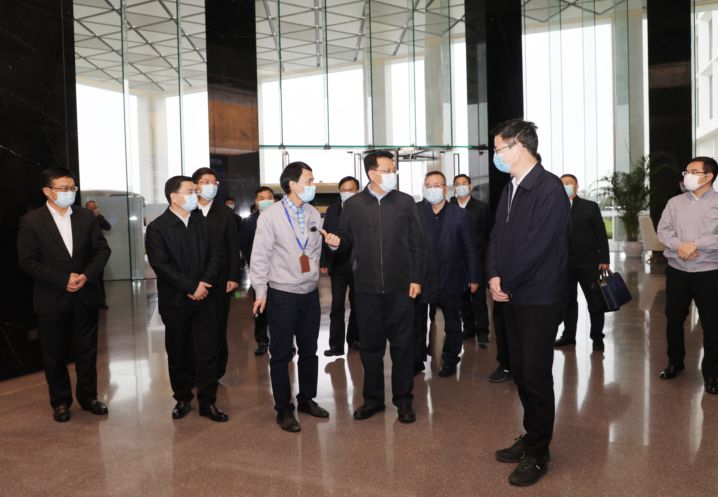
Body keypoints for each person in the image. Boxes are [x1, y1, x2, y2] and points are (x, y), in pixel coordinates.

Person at [487, 119, 570, 486]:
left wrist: (505, 281)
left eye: (498, 149)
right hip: (511, 295)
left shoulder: (549, 188)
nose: (496, 155)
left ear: (518, 148)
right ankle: (532, 434)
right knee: (519, 371)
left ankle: (538, 452)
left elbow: (537, 246)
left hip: (538, 297)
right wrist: (493, 274)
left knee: (535, 376)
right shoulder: (511, 187)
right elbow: (496, 237)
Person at [322, 151, 427, 424]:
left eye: (394, 170)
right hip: (366, 289)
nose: (393, 174)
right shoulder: (354, 205)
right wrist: (335, 243)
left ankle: (404, 400)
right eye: (388, 170)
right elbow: (345, 239)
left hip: (401, 288)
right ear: (372, 173)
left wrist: (416, 279)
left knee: (402, 346)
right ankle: (373, 400)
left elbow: (417, 244)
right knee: (370, 348)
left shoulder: (405, 202)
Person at [17, 167, 111, 422]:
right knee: (54, 354)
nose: (70, 192)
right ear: (47, 191)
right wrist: (63, 279)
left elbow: (102, 251)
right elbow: (27, 261)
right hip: (51, 298)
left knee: (87, 351)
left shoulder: (86, 216)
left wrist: (86, 275)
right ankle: (60, 401)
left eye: (72, 188)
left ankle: (89, 397)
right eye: (64, 188)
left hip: (85, 295)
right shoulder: (31, 221)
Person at [250, 162, 329, 433]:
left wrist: (313, 270)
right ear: (293, 184)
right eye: (309, 180)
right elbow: (260, 256)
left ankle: (306, 399)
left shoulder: (313, 213)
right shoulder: (270, 215)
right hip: (282, 294)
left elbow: (314, 250)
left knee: (309, 350)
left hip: (309, 293)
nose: (313, 184)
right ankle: (284, 409)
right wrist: (261, 291)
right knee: (281, 354)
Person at [145, 176, 227, 422]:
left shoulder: (203, 223)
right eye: (190, 191)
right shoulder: (158, 227)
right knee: (178, 352)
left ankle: (208, 401)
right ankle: (182, 398)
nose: (195, 194)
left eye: (195, 190)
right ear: (174, 196)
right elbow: (160, 265)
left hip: (205, 299)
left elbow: (216, 255)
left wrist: (203, 285)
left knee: (207, 351)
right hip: (175, 301)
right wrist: (192, 286)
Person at [657, 156, 718, 395]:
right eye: (687, 171)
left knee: (712, 325)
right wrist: (681, 246)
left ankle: (711, 373)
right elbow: (664, 230)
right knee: (673, 319)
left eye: (693, 171)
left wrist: (696, 244)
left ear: (708, 176)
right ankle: (675, 362)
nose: (687, 175)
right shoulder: (675, 202)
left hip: (709, 272)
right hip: (678, 270)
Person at [414, 171, 481, 377]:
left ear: (445, 189)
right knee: (417, 321)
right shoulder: (415, 211)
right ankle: (417, 359)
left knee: (452, 321)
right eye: (428, 185)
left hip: (451, 275)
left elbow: (470, 248)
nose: (432, 189)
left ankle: (450, 359)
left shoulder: (459, 214)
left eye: (437, 185)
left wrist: (473, 276)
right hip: (421, 277)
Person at [192, 168, 241, 381]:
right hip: (192, 281)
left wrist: (233, 276)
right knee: (194, 329)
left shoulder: (224, 212)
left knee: (218, 327)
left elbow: (233, 246)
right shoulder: (188, 210)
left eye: (214, 182)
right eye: (205, 181)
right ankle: (195, 370)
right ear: (196, 186)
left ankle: (217, 371)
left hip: (220, 280)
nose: (210, 186)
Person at [554, 174, 610, 351]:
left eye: (568, 183)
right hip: (564, 263)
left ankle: (597, 338)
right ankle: (568, 335)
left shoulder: (589, 206)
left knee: (595, 300)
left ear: (576, 187)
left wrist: (604, 259)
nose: (565, 186)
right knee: (568, 302)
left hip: (588, 262)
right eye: (562, 184)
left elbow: (601, 233)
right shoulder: (554, 207)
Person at [320, 176, 360, 357]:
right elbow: (325, 235)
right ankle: (336, 345)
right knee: (337, 304)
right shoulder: (333, 209)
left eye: (350, 190)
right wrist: (324, 262)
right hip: (338, 263)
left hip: (358, 263)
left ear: (357, 191)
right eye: (343, 190)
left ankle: (354, 339)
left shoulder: (363, 209)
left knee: (357, 303)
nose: (346, 193)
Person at [450, 174, 491, 345]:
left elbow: (488, 234)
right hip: (455, 260)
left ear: (470, 186)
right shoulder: (450, 207)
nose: (461, 187)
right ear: (454, 188)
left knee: (478, 296)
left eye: (464, 183)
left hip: (477, 259)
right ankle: (468, 328)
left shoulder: (481, 207)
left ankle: (482, 331)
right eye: (457, 184)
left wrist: (487, 260)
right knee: (462, 297)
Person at [239, 186, 275, 356]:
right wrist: (256, 260)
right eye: (262, 198)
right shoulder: (249, 221)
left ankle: (285, 340)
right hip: (260, 272)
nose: (266, 200)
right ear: (256, 202)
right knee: (261, 307)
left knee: (282, 308)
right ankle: (262, 341)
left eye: (269, 197)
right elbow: (243, 244)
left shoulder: (281, 218)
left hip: (281, 271)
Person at [85, 200, 111, 309]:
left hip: (97, 252)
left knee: (99, 277)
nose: (94, 210)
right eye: (91, 208)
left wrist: (99, 216)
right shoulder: (82, 217)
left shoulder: (98, 217)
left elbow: (108, 227)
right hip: (86, 252)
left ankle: (101, 300)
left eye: (95, 207)